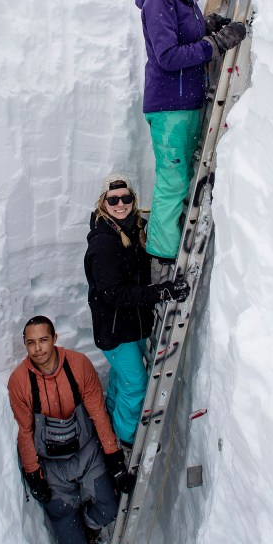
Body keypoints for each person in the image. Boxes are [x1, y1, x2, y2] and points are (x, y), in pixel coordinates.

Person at [134, 0, 248, 263]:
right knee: (173, 181)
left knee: (179, 178)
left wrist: (207, 26)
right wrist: (216, 44)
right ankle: (161, 257)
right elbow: (168, 55)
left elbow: (180, 35)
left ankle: (166, 245)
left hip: (184, 104)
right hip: (170, 106)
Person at [7, 315, 135, 544]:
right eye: (31, 343)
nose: (38, 348)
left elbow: (98, 414)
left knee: (109, 507)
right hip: (52, 465)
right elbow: (25, 431)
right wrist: (32, 474)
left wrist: (114, 460)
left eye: (42, 340)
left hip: (87, 452)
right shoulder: (19, 381)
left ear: (54, 338)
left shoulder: (78, 366)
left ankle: (89, 525)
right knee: (69, 538)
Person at [84, 173, 190, 446]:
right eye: (113, 199)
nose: (120, 204)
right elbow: (114, 295)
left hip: (133, 326)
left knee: (122, 379)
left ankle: (110, 421)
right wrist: (161, 292)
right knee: (136, 385)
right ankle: (125, 440)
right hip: (116, 332)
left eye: (126, 198)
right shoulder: (103, 243)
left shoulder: (134, 226)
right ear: (103, 202)